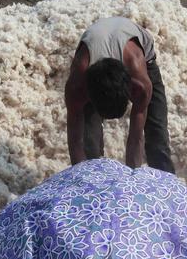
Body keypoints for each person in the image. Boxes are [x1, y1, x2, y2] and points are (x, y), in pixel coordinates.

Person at [65, 17, 175, 174]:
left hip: (140, 55)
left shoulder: (140, 84)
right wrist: (81, 177)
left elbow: (136, 137)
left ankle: (167, 184)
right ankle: (95, 180)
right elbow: (75, 139)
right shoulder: (77, 84)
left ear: (131, 90)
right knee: (89, 142)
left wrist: (132, 179)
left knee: (157, 134)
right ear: (89, 94)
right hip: (96, 53)